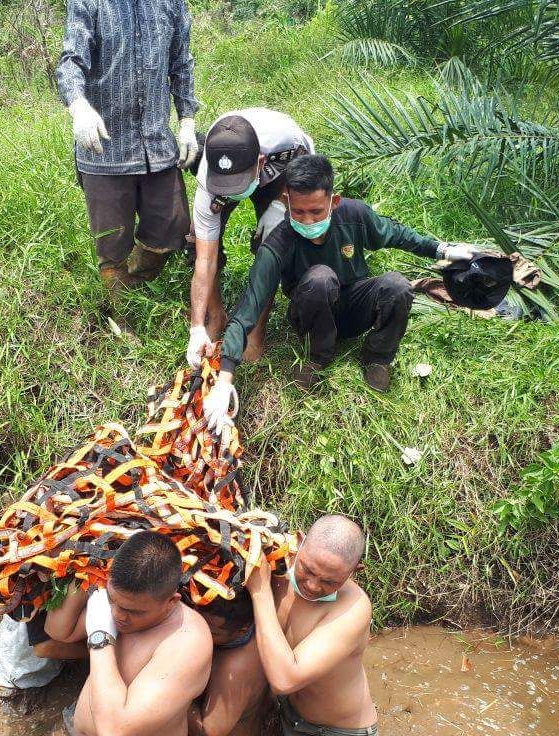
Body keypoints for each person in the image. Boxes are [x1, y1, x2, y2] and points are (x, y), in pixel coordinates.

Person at [200, 154, 485, 425]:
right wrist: (225, 378)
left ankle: (377, 359)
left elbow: (398, 234)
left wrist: (443, 249)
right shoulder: (279, 242)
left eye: (316, 211)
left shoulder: (354, 215)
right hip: (310, 310)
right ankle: (317, 357)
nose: (308, 220)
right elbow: (250, 304)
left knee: (397, 285)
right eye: (298, 212)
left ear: (333, 202)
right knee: (320, 278)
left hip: (354, 303)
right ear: (286, 202)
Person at [41, 531, 213, 736]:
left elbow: (113, 733)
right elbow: (57, 631)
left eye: (133, 611)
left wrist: (100, 637)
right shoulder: (121, 606)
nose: (119, 615)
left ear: (171, 601)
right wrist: (87, 571)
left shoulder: (187, 641)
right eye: (113, 601)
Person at [56, 0, 200, 329]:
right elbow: (70, 61)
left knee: (171, 228)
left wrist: (187, 121)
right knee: (112, 243)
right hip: (105, 150)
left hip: (158, 147)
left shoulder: (171, 4)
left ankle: (136, 285)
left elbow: (181, 63)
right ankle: (123, 318)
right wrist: (78, 106)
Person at [243, 514, 378, 736]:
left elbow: (283, 679)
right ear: (299, 542)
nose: (313, 586)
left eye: (330, 581)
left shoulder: (353, 609)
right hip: (290, 717)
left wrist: (260, 594)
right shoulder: (279, 565)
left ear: (355, 571)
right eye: (307, 569)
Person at [184, 109, 314, 365]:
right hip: (243, 166)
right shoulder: (207, 179)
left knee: (273, 249)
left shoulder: (289, 143)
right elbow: (204, 260)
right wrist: (195, 326)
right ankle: (214, 316)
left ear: (261, 163)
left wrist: (280, 206)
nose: (232, 192)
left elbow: (309, 179)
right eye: (225, 186)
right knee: (196, 241)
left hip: (285, 169)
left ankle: (256, 332)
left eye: (238, 184)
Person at [188, 591, 268, 736]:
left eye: (212, 633)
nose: (199, 633)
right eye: (199, 621)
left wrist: (175, 693)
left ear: (243, 630)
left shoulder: (234, 668)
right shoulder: (259, 627)